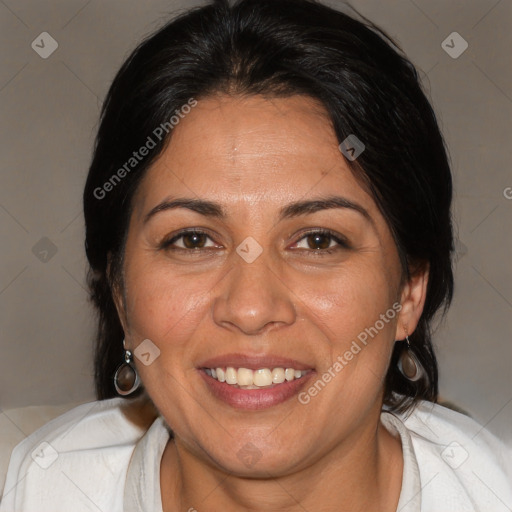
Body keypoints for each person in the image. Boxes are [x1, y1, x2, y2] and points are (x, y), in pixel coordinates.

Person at [1, 0, 511, 510]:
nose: (250, 308)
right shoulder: (34, 489)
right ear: (119, 290)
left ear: (408, 290)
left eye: (318, 240)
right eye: (193, 240)